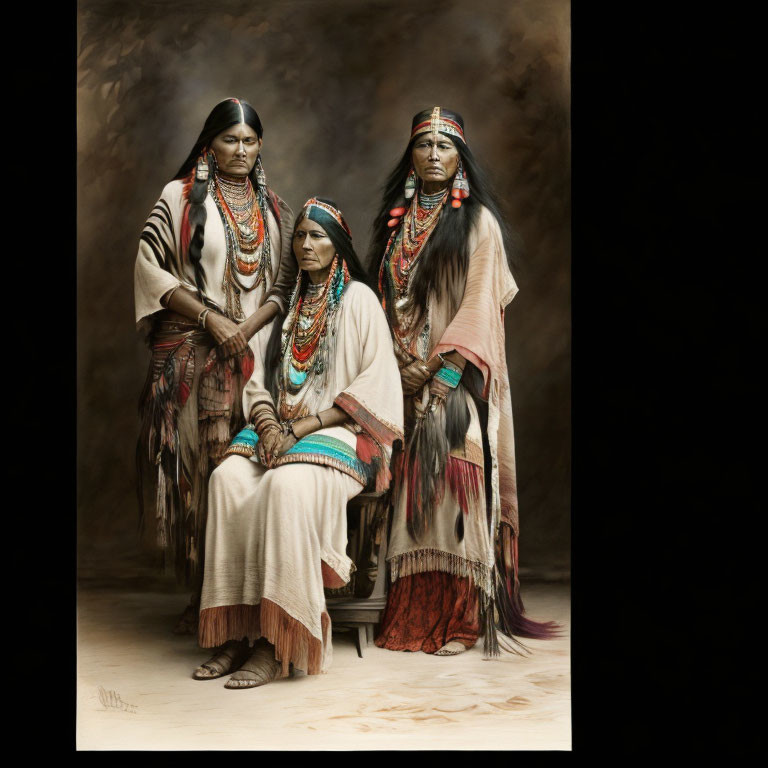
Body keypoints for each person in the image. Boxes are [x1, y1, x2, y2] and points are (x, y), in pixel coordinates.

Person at [192, 198, 403, 688]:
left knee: (284, 487)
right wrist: (268, 426)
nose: (307, 245)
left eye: (319, 237)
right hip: (281, 430)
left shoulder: (359, 301)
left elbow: (378, 384)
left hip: (344, 433)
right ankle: (237, 633)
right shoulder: (289, 309)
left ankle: (277, 640)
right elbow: (258, 381)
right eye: (301, 236)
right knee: (226, 479)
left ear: (339, 245)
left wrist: (302, 429)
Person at [371, 107, 558, 656]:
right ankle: (408, 610)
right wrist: (394, 366)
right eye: (423, 145)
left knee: (454, 459)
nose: (432, 155)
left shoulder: (479, 223)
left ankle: (460, 618)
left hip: (456, 378)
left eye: (444, 146)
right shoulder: (396, 222)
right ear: (410, 157)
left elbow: (478, 308)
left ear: (460, 158)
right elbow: (381, 304)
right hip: (395, 375)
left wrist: (437, 373)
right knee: (398, 471)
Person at [134, 98, 297, 633]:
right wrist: (210, 319)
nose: (242, 150)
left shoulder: (272, 208)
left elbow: (283, 284)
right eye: (231, 140)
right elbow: (149, 268)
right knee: (199, 478)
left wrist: (243, 330)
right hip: (190, 357)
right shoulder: (178, 197)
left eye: (251, 141)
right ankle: (206, 597)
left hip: (253, 361)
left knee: (242, 471)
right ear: (210, 144)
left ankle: (245, 599)